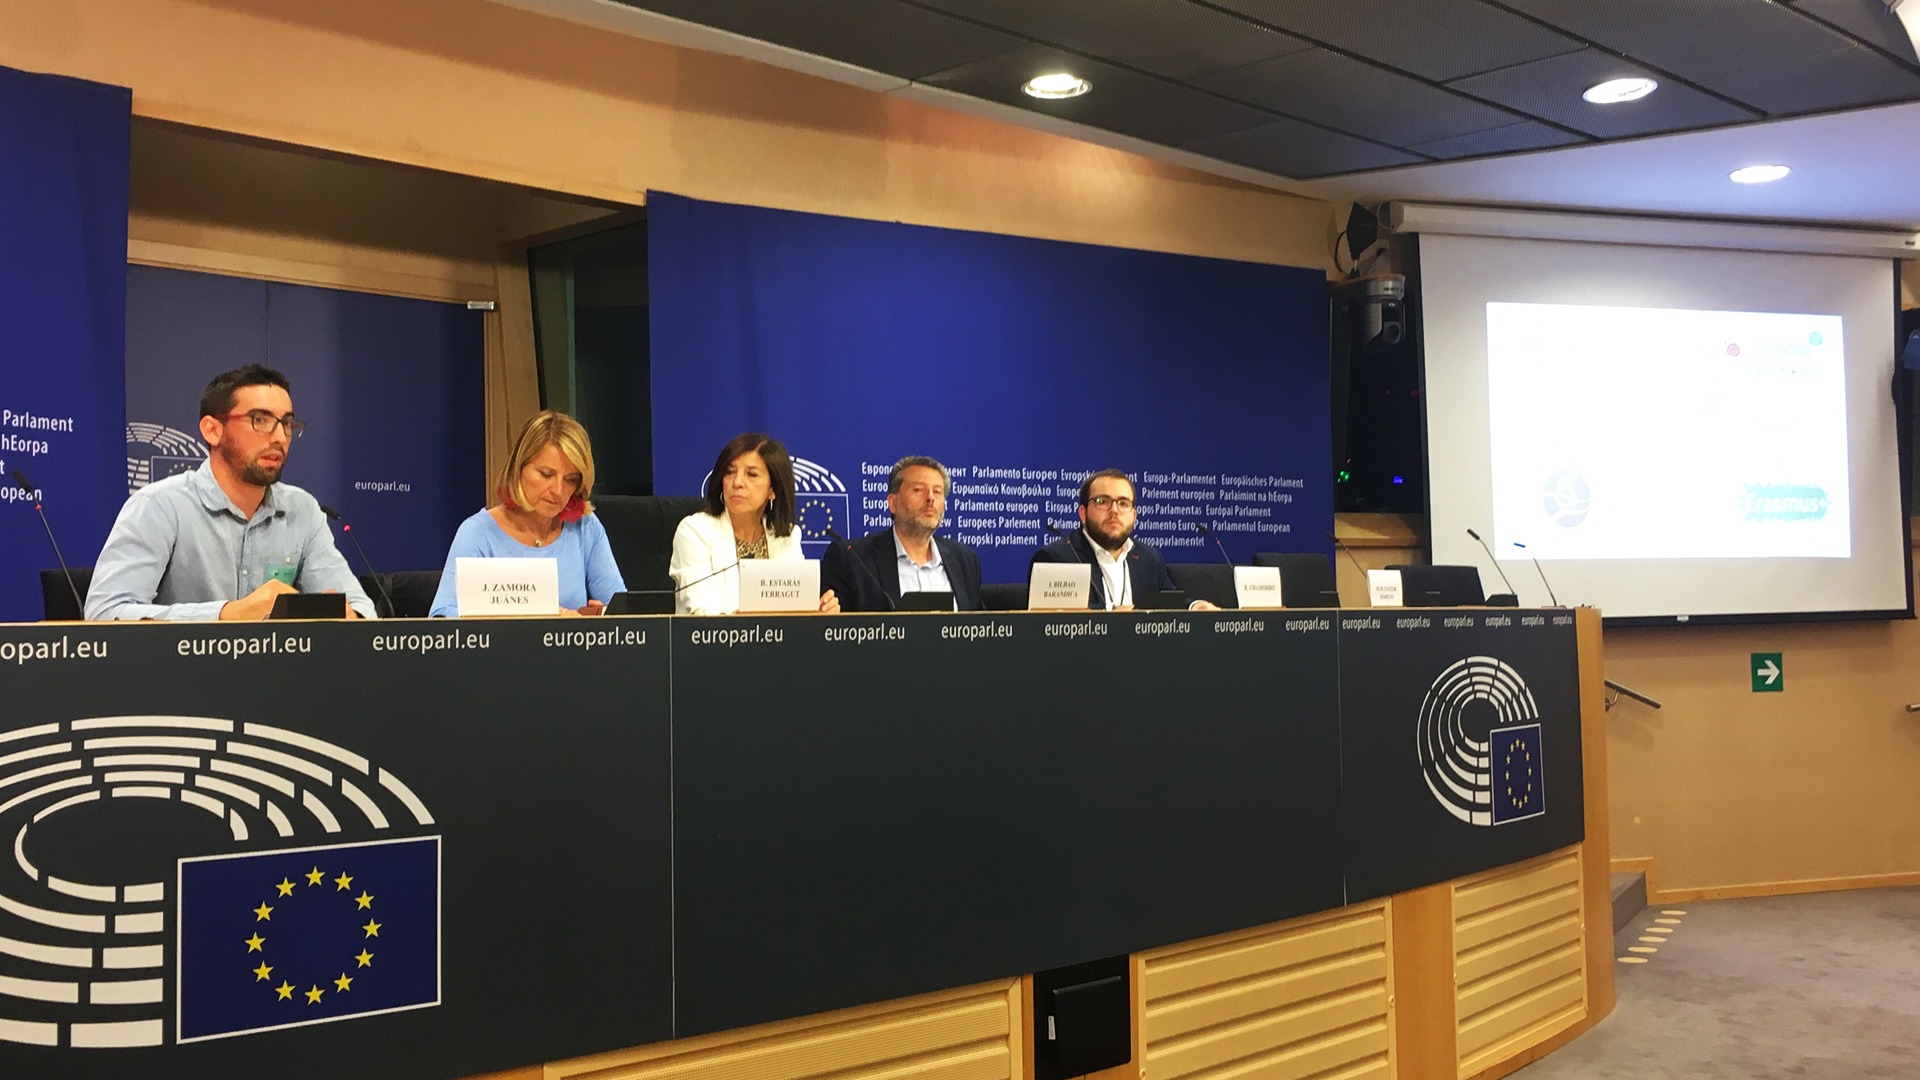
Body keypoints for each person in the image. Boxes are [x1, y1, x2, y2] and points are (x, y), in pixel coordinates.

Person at [87, 364, 376, 620]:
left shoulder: (302, 509)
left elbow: (360, 607)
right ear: (212, 430)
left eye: (287, 423)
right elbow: (106, 612)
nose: (280, 437)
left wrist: (350, 616)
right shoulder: (160, 506)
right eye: (260, 420)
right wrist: (226, 614)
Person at [429, 411, 625, 617]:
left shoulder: (585, 526)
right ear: (519, 469)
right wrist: (544, 618)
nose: (558, 490)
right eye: (546, 474)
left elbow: (624, 612)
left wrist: (601, 616)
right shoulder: (477, 533)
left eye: (570, 479)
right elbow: (442, 616)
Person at [669, 433, 840, 615]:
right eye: (730, 472)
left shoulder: (787, 536)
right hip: (713, 634)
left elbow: (794, 607)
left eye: (751, 474)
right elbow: (700, 610)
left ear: (773, 489)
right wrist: (751, 622)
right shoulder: (695, 531)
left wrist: (818, 612)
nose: (737, 482)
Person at [1031, 468, 1221, 612]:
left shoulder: (1148, 558)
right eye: (1103, 501)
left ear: (1134, 515)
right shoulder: (1058, 558)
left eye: (1123, 503)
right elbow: (1050, 619)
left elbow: (1167, 601)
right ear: (1083, 513)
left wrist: (1194, 606)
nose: (1114, 510)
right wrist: (1113, 614)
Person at [822, 455, 982, 611]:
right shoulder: (853, 559)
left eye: (937, 492)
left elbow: (979, 623)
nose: (930, 498)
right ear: (893, 503)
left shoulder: (964, 560)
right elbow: (834, 622)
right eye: (918, 490)